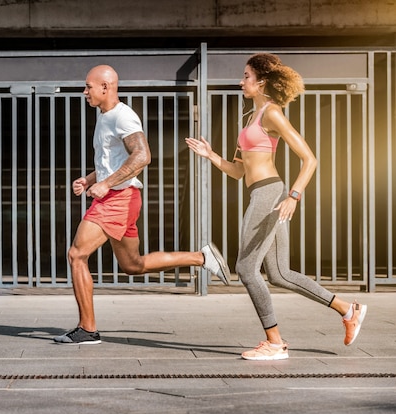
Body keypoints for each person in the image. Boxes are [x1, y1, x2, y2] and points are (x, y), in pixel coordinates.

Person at [185, 53, 367, 360]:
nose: (241, 81)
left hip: (271, 194)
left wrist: (293, 196)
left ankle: (274, 342)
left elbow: (309, 159)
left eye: (246, 76)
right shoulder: (248, 119)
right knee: (280, 273)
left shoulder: (272, 114)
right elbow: (238, 171)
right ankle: (348, 309)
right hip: (259, 191)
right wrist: (211, 155)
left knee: (245, 267)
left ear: (261, 82)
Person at [54, 64, 231, 345]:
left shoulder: (123, 117)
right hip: (119, 197)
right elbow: (111, 161)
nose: (84, 91)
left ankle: (87, 329)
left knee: (76, 255)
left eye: (88, 86)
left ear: (105, 87)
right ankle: (202, 257)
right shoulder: (104, 116)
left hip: (118, 199)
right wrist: (90, 179)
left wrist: (106, 184)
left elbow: (142, 156)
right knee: (133, 265)